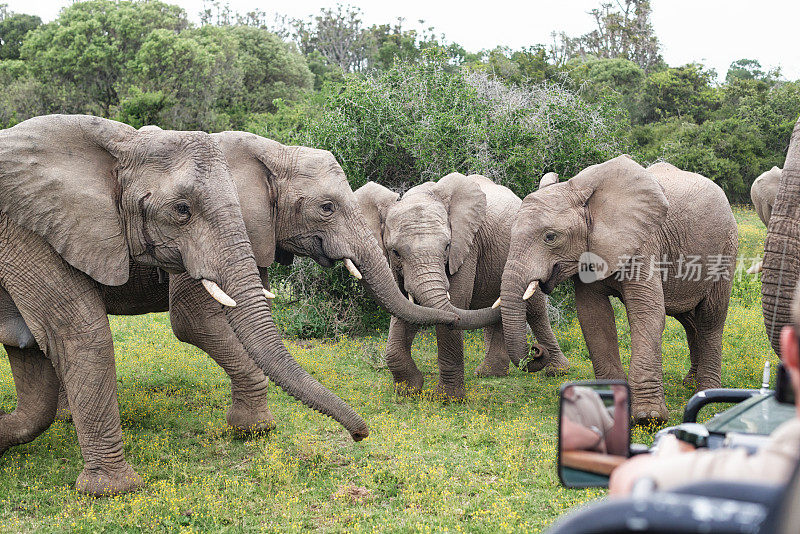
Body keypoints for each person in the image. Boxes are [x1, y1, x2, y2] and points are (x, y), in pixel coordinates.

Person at [608, 283, 800, 495]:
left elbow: (627, 479)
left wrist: (670, 456)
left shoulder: (778, 464)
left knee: (709, 325)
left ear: (789, 348)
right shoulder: (786, 453)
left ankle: (705, 376)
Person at [562, 385, 629, 456]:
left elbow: (617, 449)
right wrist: (598, 439)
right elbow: (565, 436)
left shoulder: (590, 394)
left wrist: (620, 404)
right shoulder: (552, 400)